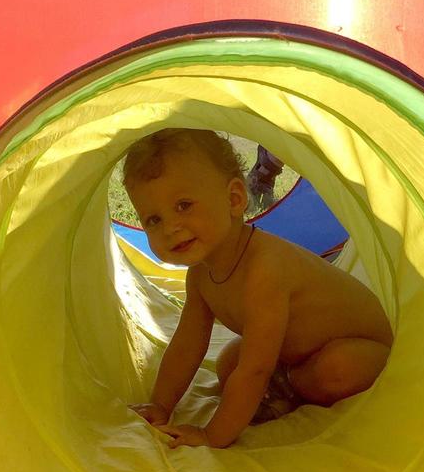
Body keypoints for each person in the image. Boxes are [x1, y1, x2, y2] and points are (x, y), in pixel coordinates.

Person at [124, 129, 393, 449]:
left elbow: (256, 369)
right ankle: (287, 385)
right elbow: (187, 344)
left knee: (336, 369)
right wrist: (161, 405)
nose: (170, 227)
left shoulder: (265, 269)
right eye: (153, 219)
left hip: (360, 347)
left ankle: (289, 386)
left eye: (184, 205)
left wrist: (213, 435)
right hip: (290, 353)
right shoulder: (201, 273)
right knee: (227, 363)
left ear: (234, 199)